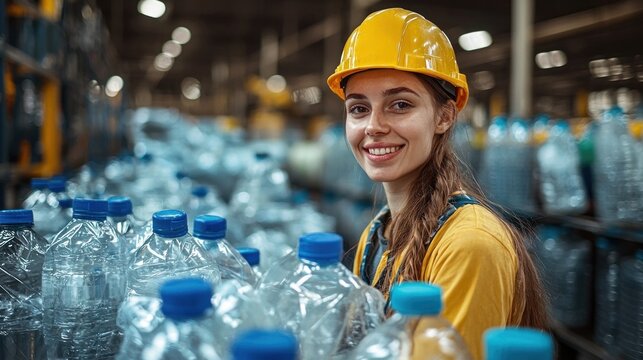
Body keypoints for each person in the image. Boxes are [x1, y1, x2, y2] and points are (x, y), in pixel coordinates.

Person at [326, 8, 548, 360]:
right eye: (358, 108)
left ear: (444, 116)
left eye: (399, 105)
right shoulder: (376, 234)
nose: (373, 126)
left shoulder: (470, 244)